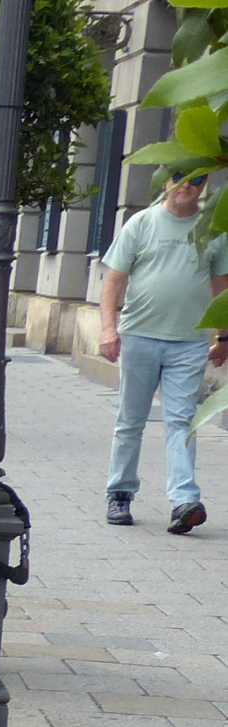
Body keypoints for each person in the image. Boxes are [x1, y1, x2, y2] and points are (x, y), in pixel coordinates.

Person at [99, 167, 228, 532]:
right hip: (139, 336)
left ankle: (184, 500)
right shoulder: (141, 223)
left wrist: (224, 337)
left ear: (207, 186)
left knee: (182, 421)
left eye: (198, 179)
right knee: (131, 420)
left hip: (189, 343)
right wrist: (109, 329)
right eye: (180, 176)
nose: (188, 184)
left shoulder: (214, 231)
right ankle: (119, 494)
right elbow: (114, 280)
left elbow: (221, 286)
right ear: (166, 181)